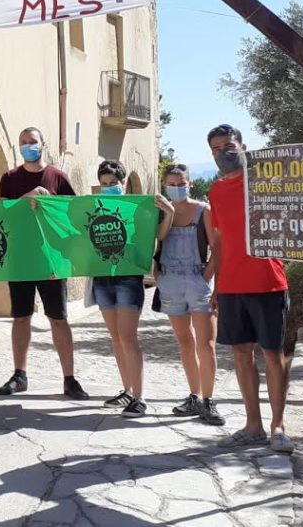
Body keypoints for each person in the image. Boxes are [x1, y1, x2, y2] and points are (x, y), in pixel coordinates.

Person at [206, 124, 293, 452]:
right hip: (231, 286)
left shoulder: (266, 181)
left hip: (268, 281)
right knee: (240, 355)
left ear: (243, 146)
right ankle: (253, 425)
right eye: (215, 150)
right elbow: (219, 239)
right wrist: (216, 284)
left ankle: (278, 426)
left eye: (227, 146)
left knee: (272, 354)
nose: (221, 154)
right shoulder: (215, 191)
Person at [0, 127, 89, 401]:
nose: (28, 146)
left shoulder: (57, 177)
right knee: (20, 317)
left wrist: (51, 201)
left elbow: (73, 213)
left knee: (58, 318)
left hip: (51, 260)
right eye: (23, 142)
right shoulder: (10, 178)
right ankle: (19, 374)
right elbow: (0, 211)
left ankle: (69, 379)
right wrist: (26, 199)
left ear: (43, 144)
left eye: (32, 142)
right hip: (20, 258)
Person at [91, 160, 174, 418]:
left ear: (123, 183)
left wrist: (169, 213)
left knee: (128, 338)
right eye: (104, 184)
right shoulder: (94, 207)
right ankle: (126, 390)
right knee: (115, 338)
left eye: (113, 183)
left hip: (129, 278)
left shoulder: (140, 208)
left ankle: (140, 397)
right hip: (102, 278)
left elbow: (159, 236)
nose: (108, 187)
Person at [155, 164, 224, 426]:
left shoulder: (202, 210)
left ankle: (209, 400)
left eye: (180, 182)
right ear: (165, 185)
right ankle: (194, 396)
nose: (176, 187)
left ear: (190, 183)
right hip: (170, 280)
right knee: (185, 342)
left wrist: (206, 277)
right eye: (171, 183)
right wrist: (159, 276)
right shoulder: (160, 211)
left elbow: (217, 246)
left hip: (197, 280)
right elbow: (156, 243)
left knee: (206, 344)